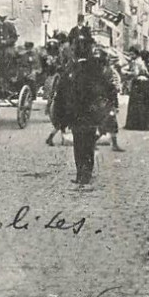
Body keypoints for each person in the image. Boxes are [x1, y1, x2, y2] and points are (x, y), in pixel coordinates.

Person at [53, 34, 114, 185]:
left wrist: (60, 117)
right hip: (89, 113)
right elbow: (107, 90)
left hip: (76, 113)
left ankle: (82, 172)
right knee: (88, 143)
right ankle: (85, 172)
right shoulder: (95, 68)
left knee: (79, 143)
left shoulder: (70, 69)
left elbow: (61, 93)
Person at [93, 46, 125, 152]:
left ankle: (114, 144)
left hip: (102, 100)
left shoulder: (99, 70)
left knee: (110, 123)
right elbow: (111, 88)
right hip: (105, 101)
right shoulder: (106, 71)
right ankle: (93, 142)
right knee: (107, 122)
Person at [125, 48, 149, 131]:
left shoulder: (137, 62)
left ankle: (138, 124)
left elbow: (135, 73)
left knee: (138, 104)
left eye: (132, 54)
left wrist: (126, 73)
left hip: (139, 84)